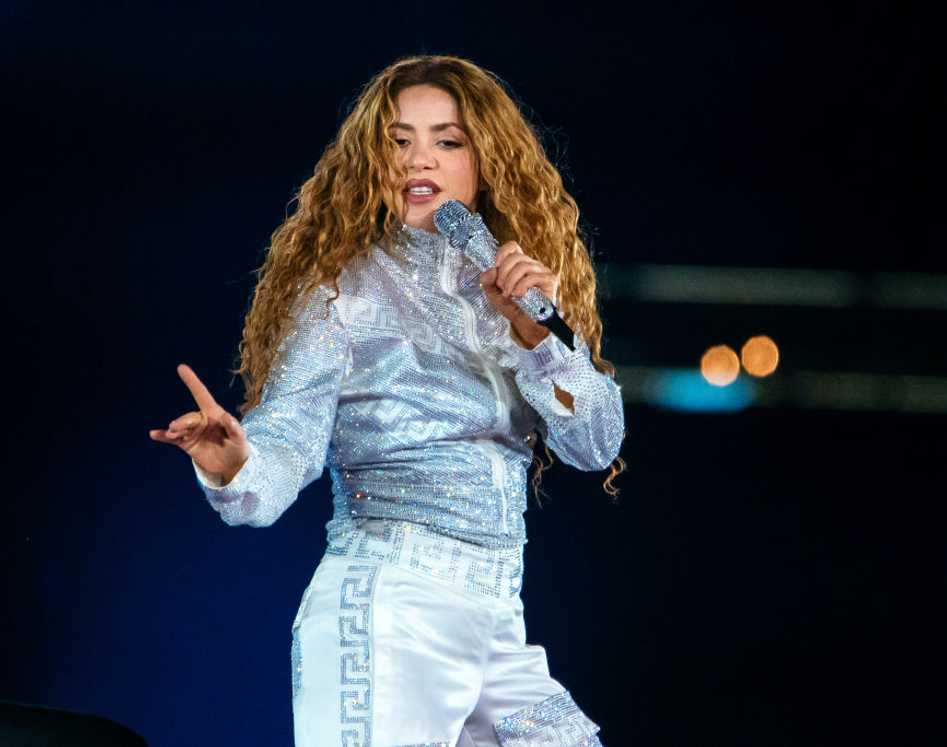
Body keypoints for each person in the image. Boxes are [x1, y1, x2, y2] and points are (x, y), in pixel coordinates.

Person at [148, 54, 626, 746]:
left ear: (486, 160)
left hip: (498, 621)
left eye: (446, 139)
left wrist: (540, 338)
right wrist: (235, 462)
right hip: (391, 611)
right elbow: (282, 446)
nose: (417, 157)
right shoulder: (343, 297)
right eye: (398, 140)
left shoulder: (513, 291)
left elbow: (597, 443)